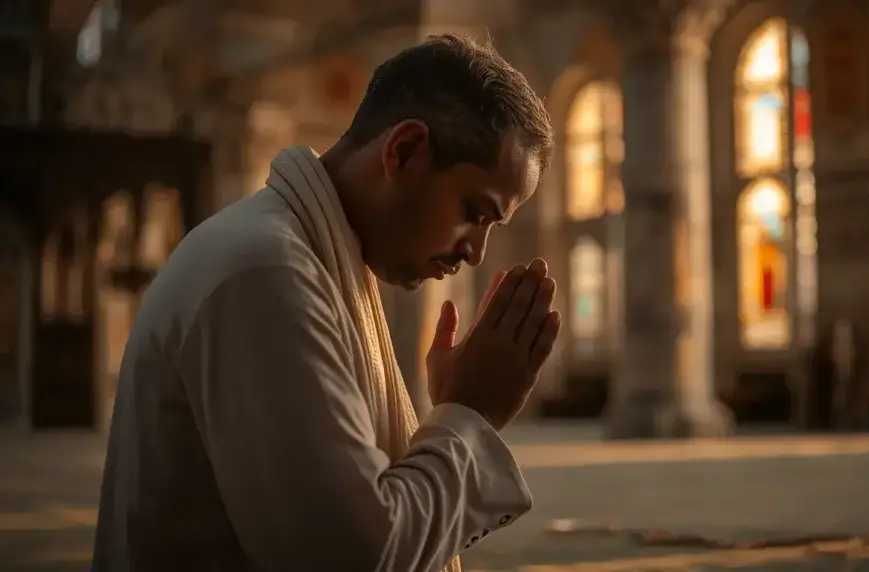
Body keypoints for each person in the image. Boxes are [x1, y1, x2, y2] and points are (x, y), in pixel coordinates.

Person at [93, 33, 558, 572]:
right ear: (403, 152)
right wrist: (471, 413)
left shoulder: (306, 260)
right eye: (475, 212)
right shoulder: (264, 273)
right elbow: (353, 557)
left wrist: (447, 415)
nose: (476, 252)